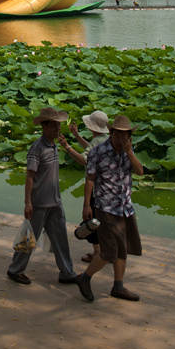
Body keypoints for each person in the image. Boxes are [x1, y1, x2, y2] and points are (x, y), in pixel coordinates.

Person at [75, 115, 144, 303]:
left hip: (125, 207)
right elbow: (89, 179)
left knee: (123, 248)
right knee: (109, 252)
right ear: (112, 133)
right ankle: (85, 278)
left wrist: (130, 152)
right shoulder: (98, 152)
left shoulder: (128, 151)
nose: (124, 139)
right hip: (105, 207)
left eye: (127, 135)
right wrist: (86, 205)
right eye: (120, 134)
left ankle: (118, 286)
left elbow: (140, 171)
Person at [7, 107, 78, 286]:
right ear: (45, 127)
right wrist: (27, 202)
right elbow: (30, 176)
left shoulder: (54, 145)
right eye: (54, 126)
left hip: (55, 201)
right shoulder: (37, 148)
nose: (58, 129)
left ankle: (67, 272)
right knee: (29, 238)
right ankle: (15, 269)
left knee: (60, 237)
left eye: (58, 126)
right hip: (39, 203)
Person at [59, 110, 109, 263]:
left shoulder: (97, 141)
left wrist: (67, 147)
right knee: (105, 220)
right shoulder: (106, 138)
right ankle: (107, 251)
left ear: (92, 127)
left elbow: (86, 160)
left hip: (97, 187)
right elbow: (91, 148)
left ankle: (98, 253)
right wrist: (77, 136)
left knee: (92, 220)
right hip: (109, 189)